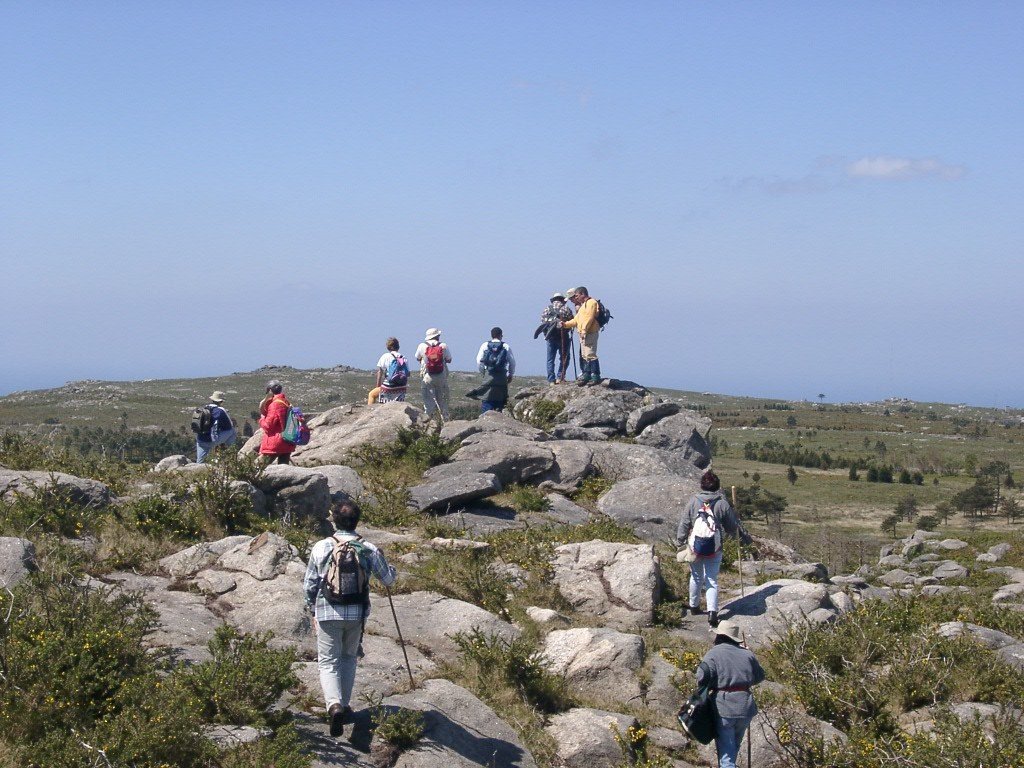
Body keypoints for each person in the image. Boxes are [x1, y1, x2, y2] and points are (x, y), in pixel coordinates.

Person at [303, 499, 397, 737]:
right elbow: (388, 579)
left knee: (328, 661)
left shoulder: (322, 546)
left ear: (334, 520)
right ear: (357, 521)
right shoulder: (367, 548)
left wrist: (313, 609)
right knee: (348, 657)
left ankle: (333, 704)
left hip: (327, 610)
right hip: (356, 612)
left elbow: (310, 584)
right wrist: (391, 567)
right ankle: (343, 706)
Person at [676, 470, 751, 627]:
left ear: (702, 485)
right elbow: (731, 527)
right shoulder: (722, 503)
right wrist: (736, 523)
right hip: (714, 547)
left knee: (696, 576)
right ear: (717, 486)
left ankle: (694, 606)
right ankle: (712, 612)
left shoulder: (693, 501)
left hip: (695, 546)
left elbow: (684, 522)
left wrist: (680, 541)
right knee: (711, 579)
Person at [696, 619, 765, 768]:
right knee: (733, 749)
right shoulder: (747, 654)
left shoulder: (714, 653)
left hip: (724, 707)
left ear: (719, 636)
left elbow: (702, 676)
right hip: (746, 707)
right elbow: (760, 676)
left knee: (727, 755)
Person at [468, 327, 515, 412]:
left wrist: (483, 372)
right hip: (501, 376)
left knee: (487, 397)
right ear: (501, 335)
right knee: (501, 399)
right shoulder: (505, 346)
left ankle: (486, 416)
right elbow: (512, 362)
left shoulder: (485, 345)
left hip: (489, 375)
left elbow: (479, 360)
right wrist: (510, 374)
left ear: (491, 335)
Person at [561, 286, 602, 386]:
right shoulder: (583, 305)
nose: (576, 298)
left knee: (590, 354)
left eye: (577, 295)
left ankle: (595, 375)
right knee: (584, 355)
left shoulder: (591, 303)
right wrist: (565, 324)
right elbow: (576, 320)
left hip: (590, 332)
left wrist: (584, 330)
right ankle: (587, 374)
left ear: (583, 294)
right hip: (584, 333)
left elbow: (589, 318)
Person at [414, 328, 452, 422]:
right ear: (437, 336)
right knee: (443, 404)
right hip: (441, 376)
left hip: (427, 376)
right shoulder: (443, 345)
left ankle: (427, 424)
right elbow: (449, 359)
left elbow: (417, 358)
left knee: (428, 405)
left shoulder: (422, 346)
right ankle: (445, 423)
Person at [537, 292, 575, 384]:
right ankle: (560, 376)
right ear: (562, 300)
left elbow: (542, 323)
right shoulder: (566, 309)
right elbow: (572, 321)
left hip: (550, 337)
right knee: (565, 358)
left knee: (550, 359)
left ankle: (551, 380)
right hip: (563, 336)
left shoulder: (547, 309)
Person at [258, 380, 295, 465]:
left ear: (270, 391)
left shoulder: (274, 405)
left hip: (275, 442)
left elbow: (268, 425)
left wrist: (262, 419)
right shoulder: (286, 402)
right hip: (287, 440)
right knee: (284, 467)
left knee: (260, 467)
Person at [195, 391, 237, 463]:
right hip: (212, 440)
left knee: (200, 461)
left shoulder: (203, 408)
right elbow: (230, 425)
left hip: (200, 439)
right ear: (221, 401)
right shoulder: (221, 411)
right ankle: (232, 456)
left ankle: (198, 465)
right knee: (232, 431)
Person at [374, 337, 410, 403]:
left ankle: (370, 408)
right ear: (398, 347)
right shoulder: (403, 357)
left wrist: (378, 386)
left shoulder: (385, 356)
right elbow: (407, 374)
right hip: (401, 388)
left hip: (388, 387)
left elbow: (380, 372)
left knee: (371, 395)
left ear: (388, 347)